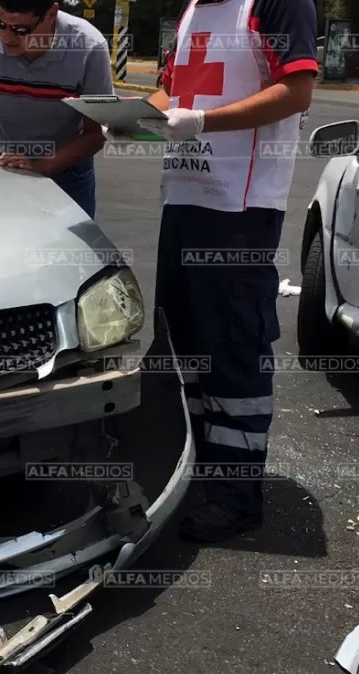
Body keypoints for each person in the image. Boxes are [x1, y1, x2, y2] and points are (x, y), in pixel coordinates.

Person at [133, 0, 318, 543]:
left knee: (234, 347)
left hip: (241, 208)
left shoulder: (275, 4)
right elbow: (176, 92)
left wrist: (203, 122)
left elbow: (297, 89)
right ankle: (193, 468)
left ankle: (236, 496)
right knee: (180, 341)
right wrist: (130, 116)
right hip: (185, 199)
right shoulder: (194, 10)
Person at [0, 0, 112, 217]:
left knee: (65, 249)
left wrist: (42, 166)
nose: (6, 38)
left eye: (20, 30)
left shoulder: (88, 46)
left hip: (66, 172)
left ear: (51, 14)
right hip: (2, 164)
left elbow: (95, 134)